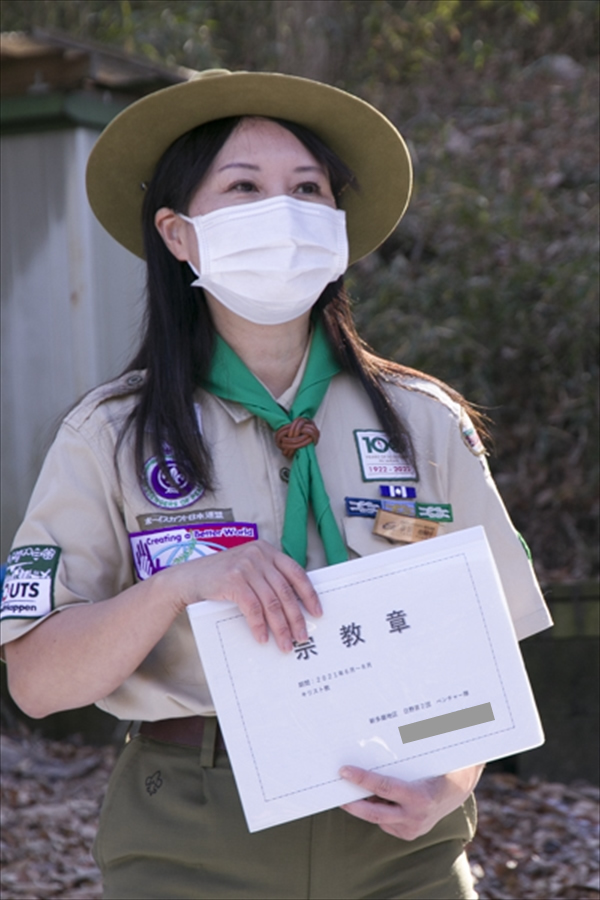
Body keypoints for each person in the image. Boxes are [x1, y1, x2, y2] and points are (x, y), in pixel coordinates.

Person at [0, 70, 551, 900]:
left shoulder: (424, 420)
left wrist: (454, 780)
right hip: (190, 831)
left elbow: (490, 637)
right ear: (178, 233)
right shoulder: (107, 434)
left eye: (307, 189)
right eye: (245, 188)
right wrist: (183, 584)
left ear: (336, 227)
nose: (282, 213)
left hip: (399, 844)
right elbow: (36, 682)